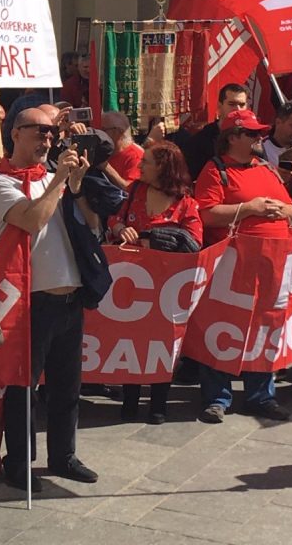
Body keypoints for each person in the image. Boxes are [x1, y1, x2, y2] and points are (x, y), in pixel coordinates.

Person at [0, 107, 100, 491]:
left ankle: (64, 455)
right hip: (31, 301)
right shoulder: (1, 182)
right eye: (39, 131)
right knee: (23, 387)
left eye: (52, 133)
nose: (48, 139)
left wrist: (78, 187)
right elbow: (32, 220)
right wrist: (59, 183)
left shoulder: (55, 177)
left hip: (69, 297)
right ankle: (19, 461)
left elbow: (92, 226)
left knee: (68, 386)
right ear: (16, 133)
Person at [192, 108, 292, 423]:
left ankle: (260, 396)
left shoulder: (266, 167)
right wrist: (248, 208)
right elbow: (207, 214)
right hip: (231, 266)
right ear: (232, 137)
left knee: (264, 328)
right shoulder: (214, 171)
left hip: (270, 266)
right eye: (251, 133)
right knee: (223, 326)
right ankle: (217, 397)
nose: (259, 137)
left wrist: (284, 211)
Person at [107, 141, 202, 424]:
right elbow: (115, 217)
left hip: (166, 283)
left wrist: (153, 237)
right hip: (133, 281)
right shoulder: (135, 190)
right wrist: (120, 228)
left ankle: (158, 402)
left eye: (145, 162)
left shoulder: (186, 201)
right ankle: (130, 400)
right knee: (131, 338)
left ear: (163, 166)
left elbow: (195, 241)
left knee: (162, 343)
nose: (139, 166)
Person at [176, 83, 250, 181]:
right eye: (231, 104)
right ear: (220, 106)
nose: (237, 109)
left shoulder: (252, 137)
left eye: (242, 105)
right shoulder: (200, 141)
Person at [102, 111, 143, 184]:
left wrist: (106, 167)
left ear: (119, 132)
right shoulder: (107, 151)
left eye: (103, 130)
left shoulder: (135, 157)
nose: (99, 133)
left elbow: (130, 190)